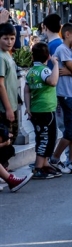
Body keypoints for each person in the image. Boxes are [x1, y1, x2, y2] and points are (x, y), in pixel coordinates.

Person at [48, 24, 72, 174]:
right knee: (71, 129)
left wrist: (70, 73)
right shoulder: (63, 50)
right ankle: (55, 159)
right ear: (67, 34)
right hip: (66, 94)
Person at [24, 43, 61, 180]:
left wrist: (27, 107)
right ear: (48, 56)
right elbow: (53, 81)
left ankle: (44, 163)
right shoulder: (44, 70)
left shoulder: (31, 72)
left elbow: (26, 90)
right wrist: (55, 64)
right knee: (46, 138)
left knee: (43, 136)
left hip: (36, 109)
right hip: (46, 109)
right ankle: (38, 167)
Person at [0, 23, 19, 170]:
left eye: (12, 38)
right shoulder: (1, 57)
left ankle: (4, 169)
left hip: (12, 104)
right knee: (6, 139)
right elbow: (0, 84)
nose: (9, 42)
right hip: (5, 108)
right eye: (5, 38)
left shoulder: (7, 55)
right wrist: (8, 108)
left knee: (11, 138)